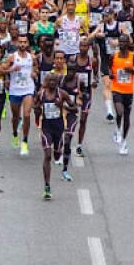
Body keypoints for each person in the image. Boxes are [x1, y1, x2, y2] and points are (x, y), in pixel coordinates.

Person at [35, 60, 77, 200]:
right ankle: (47, 186)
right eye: (50, 81)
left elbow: (75, 108)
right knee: (47, 155)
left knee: (57, 155)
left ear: (58, 83)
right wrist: (37, 111)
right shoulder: (41, 94)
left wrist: (63, 107)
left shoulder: (63, 94)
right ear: (47, 82)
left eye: (55, 81)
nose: (52, 83)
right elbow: (36, 107)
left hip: (59, 127)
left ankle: (58, 153)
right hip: (46, 127)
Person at [108, 35, 134, 155]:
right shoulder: (114, 56)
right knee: (119, 111)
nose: (121, 43)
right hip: (116, 89)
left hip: (128, 91)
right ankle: (117, 129)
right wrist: (111, 75)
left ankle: (124, 142)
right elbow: (109, 68)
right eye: (120, 41)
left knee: (127, 116)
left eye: (124, 42)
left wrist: (131, 71)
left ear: (128, 43)